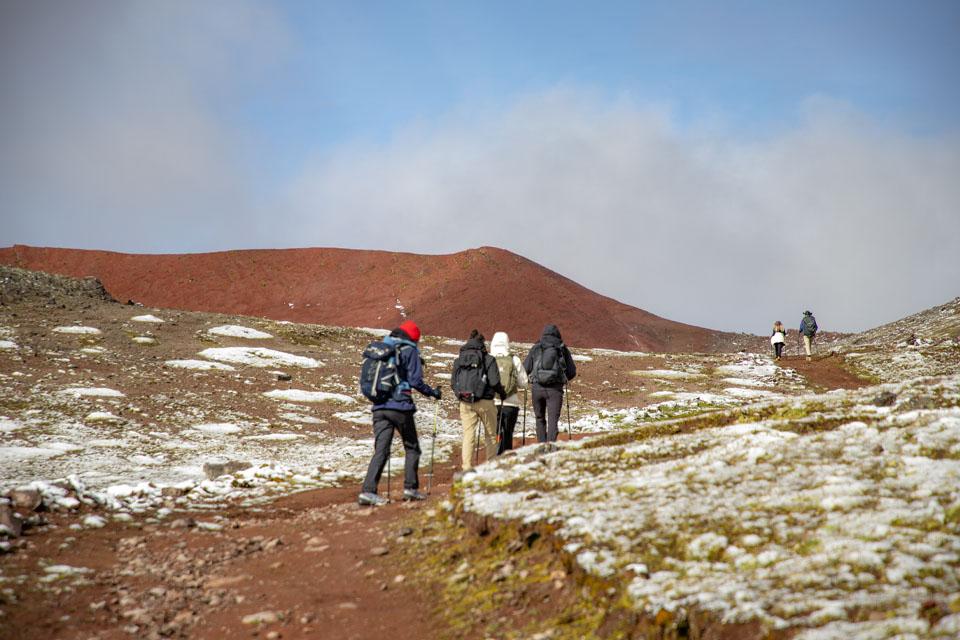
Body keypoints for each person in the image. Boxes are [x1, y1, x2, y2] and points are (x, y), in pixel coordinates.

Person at [358, 320, 441, 506]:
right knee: (412, 447)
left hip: (379, 407)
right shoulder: (410, 350)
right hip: (400, 407)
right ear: (414, 338)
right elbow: (415, 381)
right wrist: (433, 393)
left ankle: (368, 491)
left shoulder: (384, 348)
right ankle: (410, 488)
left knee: (381, 450)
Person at [451, 330, 505, 472]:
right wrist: (502, 393)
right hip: (485, 402)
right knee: (490, 435)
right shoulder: (489, 359)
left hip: (465, 402)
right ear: (482, 343)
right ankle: (491, 466)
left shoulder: (460, 359)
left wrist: (459, 395)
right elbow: (494, 382)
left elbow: (453, 383)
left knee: (468, 434)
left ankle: (467, 467)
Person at [524, 324, 577, 443]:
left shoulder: (536, 347)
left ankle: (541, 446)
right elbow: (572, 372)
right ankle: (550, 448)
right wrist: (563, 379)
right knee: (553, 421)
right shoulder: (562, 348)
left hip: (537, 388)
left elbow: (525, 368)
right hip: (555, 390)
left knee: (539, 418)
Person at [490, 331, 529, 455]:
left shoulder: (489, 359)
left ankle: (492, 457)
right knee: (508, 433)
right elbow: (524, 382)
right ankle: (506, 457)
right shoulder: (514, 359)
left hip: (492, 403)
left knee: (493, 433)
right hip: (511, 404)